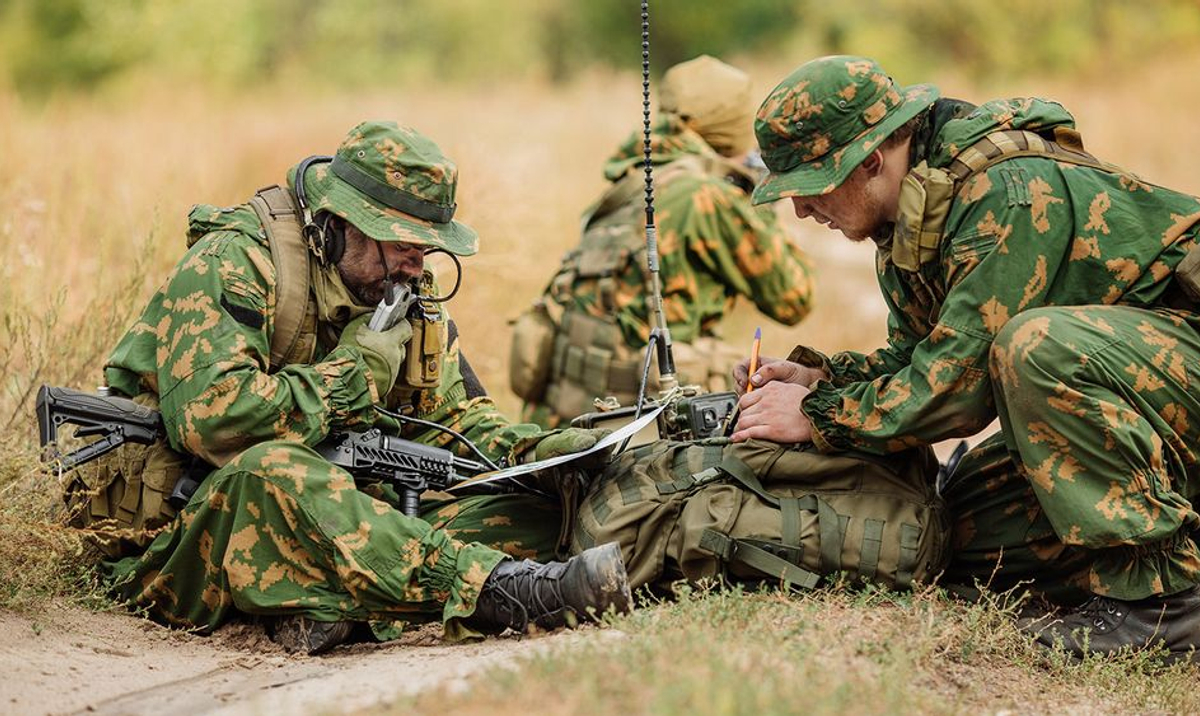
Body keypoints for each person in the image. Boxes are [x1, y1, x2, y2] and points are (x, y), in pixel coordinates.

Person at [88, 121, 631, 655]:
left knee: (529, 511)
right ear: (342, 223)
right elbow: (211, 421)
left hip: (337, 517)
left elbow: (450, 422)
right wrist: (352, 379)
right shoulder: (238, 261)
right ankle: (503, 593)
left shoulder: (402, 287)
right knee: (274, 472)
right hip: (176, 542)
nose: (414, 267)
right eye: (402, 244)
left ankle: (333, 602)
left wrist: (538, 453)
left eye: (427, 249)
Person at [735, 55, 1200, 661]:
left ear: (870, 161)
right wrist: (823, 376)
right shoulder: (909, 220)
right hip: (1154, 402)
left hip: (1180, 366)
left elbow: (957, 390)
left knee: (1035, 347)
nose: (800, 210)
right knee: (959, 529)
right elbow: (920, 356)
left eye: (809, 187)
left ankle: (1165, 607)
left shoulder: (1003, 193)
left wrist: (819, 413)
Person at [513, 55, 816, 428]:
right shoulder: (704, 196)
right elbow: (794, 298)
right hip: (638, 427)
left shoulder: (632, 180)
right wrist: (761, 195)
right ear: (733, 127)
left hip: (568, 417)